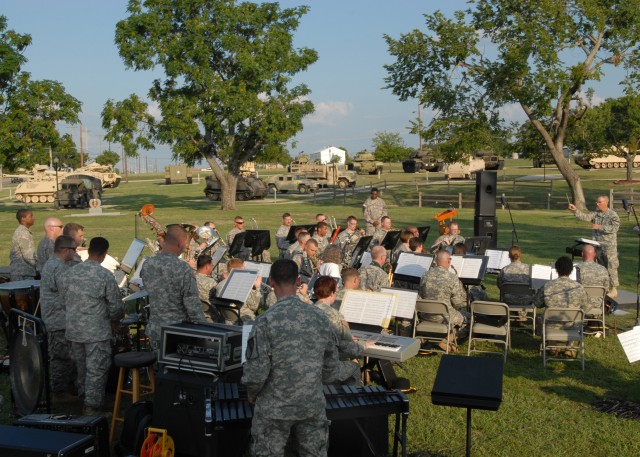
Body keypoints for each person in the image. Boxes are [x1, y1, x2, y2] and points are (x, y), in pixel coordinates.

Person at [242, 259, 341, 457]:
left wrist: (252, 393)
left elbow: (257, 371)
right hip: (311, 404)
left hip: (274, 408)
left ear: (271, 282)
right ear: (298, 281)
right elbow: (331, 366)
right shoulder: (320, 317)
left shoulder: (265, 321)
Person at [60, 237, 123, 415]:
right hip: (97, 332)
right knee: (97, 369)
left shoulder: (69, 273)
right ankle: (92, 408)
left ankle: (84, 397)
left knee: (82, 368)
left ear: (89, 251)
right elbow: (116, 307)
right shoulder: (104, 275)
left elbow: (62, 301)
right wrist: (114, 321)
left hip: (74, 330)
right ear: (104, 255)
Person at [141, 224, 206, 350]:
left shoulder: (148, 264)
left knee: (160, 367)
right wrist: (205, 331)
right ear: (181, 242)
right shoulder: (182, 268)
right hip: (178, 333)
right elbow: (192, 306)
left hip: (156, 330)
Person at [40, 235, 77, 402]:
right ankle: (59, 392)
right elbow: (67, 292)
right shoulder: (58, 267)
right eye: (74, 249)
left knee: (65, 355)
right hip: (58, 319)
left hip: (57, 317)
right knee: (60, 357)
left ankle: (66, 387)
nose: (75, 253)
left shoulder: (53, 264)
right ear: (65, 250)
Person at [313, 276, 364, 386]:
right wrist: (363, 345)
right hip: (326, 371)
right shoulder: (335, 315)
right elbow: (346, 346)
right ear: (331, 293)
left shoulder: (307, 311)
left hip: (309, 368)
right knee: (354, 368)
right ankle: (349, 400)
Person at [568, 195, 620, 297]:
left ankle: (614, 289)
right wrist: (575, 210)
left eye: (599, 202)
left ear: (606, 203)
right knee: (600, 266)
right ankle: (603, 287)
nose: (597, 204)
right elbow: (586, 217)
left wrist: (599, 227)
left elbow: (615, 228)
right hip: (597, 245)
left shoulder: (613, 215)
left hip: (609, 246)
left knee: (611, 266)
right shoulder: (596, 213)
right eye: (597, 202)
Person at [418, 250, 468, 351]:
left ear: (436, 261)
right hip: (444, 317)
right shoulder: (452, 278)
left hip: (426, 315)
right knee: (469, 320)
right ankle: (446, 340)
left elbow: (421, 295)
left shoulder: (425, 275)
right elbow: (458, 304)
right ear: (449, 261)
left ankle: (436, 338)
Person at [215, 257, 268, 323]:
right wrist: (257, 288)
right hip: (243, 321)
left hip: (225, 320)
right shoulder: (244, 287)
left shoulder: (220, 285)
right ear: (241, 269)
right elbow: (255, 306)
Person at [574, 245, 609, 311]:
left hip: (581, 305)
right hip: (598, 305)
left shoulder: (576, 269)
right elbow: (606, 289)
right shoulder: (603, 269)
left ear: (582, 254)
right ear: (595, 254)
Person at [10, 208, 37, 281]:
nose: (34, 218)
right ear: (23, 219)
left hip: (23, 273)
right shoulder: (23, 234)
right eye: (31, 216)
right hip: (23, 275)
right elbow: (28, 255)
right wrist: (41, 265)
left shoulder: (23, 231)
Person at [195, 254, 218, 321]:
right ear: (207, 267)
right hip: (209, 316)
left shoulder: (190, 277)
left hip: (194, 313)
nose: (212, 268)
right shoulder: (211, 283)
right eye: (211, 266)